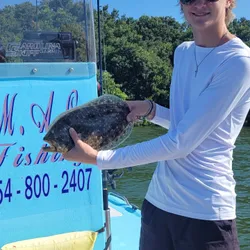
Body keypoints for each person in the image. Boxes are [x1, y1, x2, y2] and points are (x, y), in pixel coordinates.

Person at [61, 0, 250, 249]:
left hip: (205, 212)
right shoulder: (182, 52)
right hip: (158, 204)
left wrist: (99, 159)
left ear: (228, 2)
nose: (199, 4)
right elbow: (187, 125)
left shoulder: (238, 62)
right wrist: (152, 111)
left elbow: (181, 142)